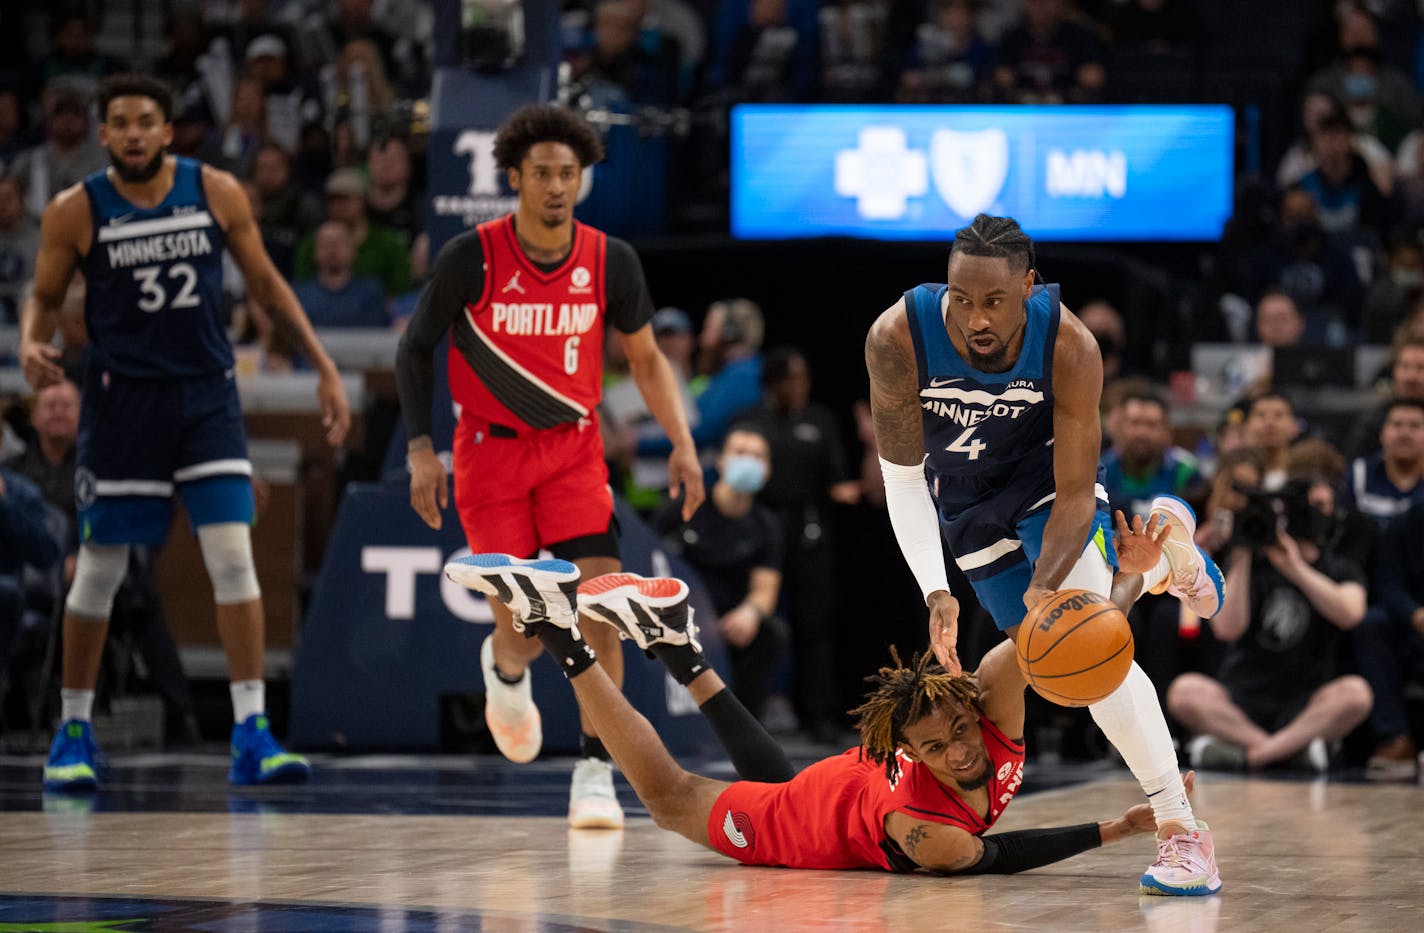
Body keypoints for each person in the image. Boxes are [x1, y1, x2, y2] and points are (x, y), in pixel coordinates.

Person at [443, 510, 1196, 878]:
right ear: (905, 748)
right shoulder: (931, 832)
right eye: (933, 747)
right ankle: (555, 628)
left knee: (790, 783)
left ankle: (675, 644)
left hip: (839, 791)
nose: (959, 749)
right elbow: (995, 854)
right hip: (814, 818)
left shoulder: (989, 696)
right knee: (672, 798)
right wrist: (1117, 826)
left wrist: (1133, 576)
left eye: (957, 730)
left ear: (968, 700)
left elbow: (1075, 637)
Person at [864, 213, 1225, 895]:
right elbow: (904, 478)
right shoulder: (896, 338)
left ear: (1029, 287)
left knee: (1097, 664)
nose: (975, 316)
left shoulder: (1069, 345)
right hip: (964, 503)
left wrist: (1047, 587)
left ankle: (1182, 832)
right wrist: (934, 590)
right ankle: (1158, 561)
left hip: (1045, 488)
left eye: (995, 300)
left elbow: (1069, 493)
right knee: (1059, 666)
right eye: (961, 297)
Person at [17, 72, 351, 792]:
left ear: (168, 131)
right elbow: (42, 298)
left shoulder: (215, 190)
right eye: (121, 122)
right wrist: (26, 342)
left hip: (205, 399)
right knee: (101, 567)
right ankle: (72, 730)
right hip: (121, 403)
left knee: (233, 555)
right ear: (103, 135)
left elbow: (266, 286)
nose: (134, 132)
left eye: (147, 121)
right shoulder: (76, 210)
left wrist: (323, 365)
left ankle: (251, 730)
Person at [394, 103, 704, 829]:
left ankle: (595, 770)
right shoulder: (472, 255)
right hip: (487, 452)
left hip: (572, 449)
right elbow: (414, 348)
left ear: (583, 180)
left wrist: (683, 443)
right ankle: (503, 671)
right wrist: (417, 451)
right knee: (527, 627)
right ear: (515, 177)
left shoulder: (609, 258)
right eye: (542, 173)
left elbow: (647, 359)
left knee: (602, 608)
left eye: (568, 173)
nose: (556, 185)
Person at [1168, 467, 1372, 774]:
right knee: (1184, 691)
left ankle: (1250, 755)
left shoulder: (1339, 567)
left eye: (1324, 506)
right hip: (1242, 699)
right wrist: (1242, 554)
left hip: (1305, 702)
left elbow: (1350, 614)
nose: (1318, 515)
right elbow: (1225, 628)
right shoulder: (1253, 564)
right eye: (1312, 505)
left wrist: (1295, 569)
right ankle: (1289, 751)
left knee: (1357, 693)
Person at [652, 425, 786, 720]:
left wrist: (749, 613)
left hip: (729, 620)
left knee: (771, 634)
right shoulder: (685, 508)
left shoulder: (766, 526)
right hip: (679, 613)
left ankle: (748, 726)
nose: (748, 461)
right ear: (722, 461)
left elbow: (765, 589)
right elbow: (650, 560)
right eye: (740, 453)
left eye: (757, 456)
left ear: (766, 470)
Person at [1353, 499, 1424, 779]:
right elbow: (1387, 582)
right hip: (1410, 625)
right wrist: (1415, 614)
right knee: (1372, 624)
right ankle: (1394, 738)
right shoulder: (1407, 522)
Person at [1342, 397, 1424, 524]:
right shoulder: (1360, 475)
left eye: (1415, 426)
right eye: (1397, 424)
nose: (1405, 434)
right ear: (1382, 433)